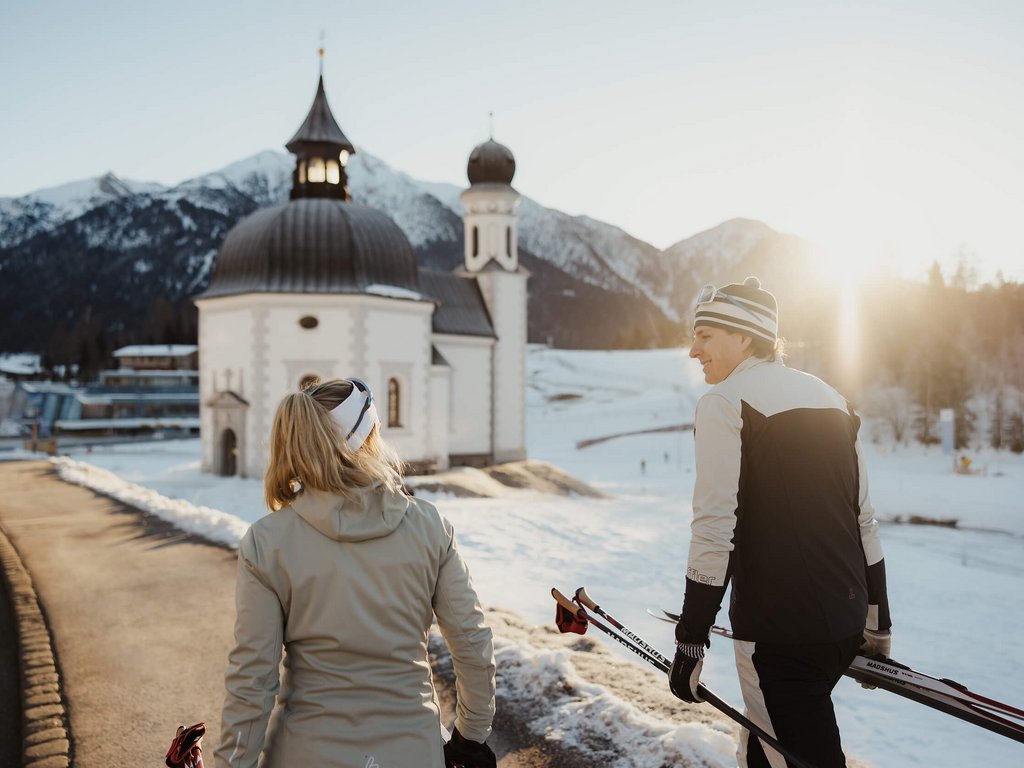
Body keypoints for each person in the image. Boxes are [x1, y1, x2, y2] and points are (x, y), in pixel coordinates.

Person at [215, 378, 497, 768]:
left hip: (303, 753)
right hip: (412, 751)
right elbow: (471, 641)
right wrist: (471, 738)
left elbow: (253, 679)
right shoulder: (429, 527)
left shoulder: (267, 542)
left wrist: (232, 763)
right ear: (367, 439)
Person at [668, 278, 891, 768]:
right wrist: (878, 624)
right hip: (843, 623)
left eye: (705, 335)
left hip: (778, 637)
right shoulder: (834, 400)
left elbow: (714, 528)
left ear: (745, 337)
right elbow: (864, 519)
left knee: (790, 752)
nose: (693, 350)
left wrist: (691, 637)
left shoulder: (725, 402)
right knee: (766, 742)